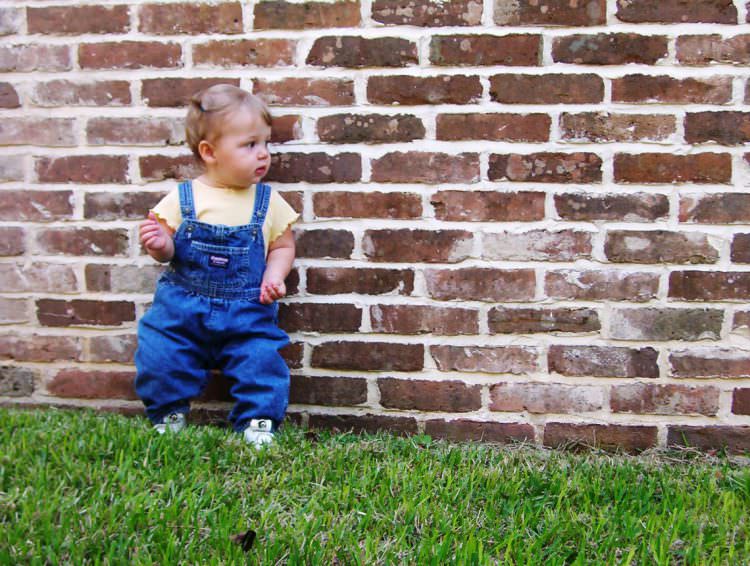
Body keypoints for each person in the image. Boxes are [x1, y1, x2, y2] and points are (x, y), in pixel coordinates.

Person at [134, 84, 298, 447]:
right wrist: (161, 246)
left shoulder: (268, 201)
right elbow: (165, 251)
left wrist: (274, 276)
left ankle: (258, 422)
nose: (264, 155)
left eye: (266, 144)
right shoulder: (183, 197)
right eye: (250, 145)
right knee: (161, 353)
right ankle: (168, 413)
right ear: (209, 152)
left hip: (248, 308)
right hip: (182, 307)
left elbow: (283, 246)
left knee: (260, 359)